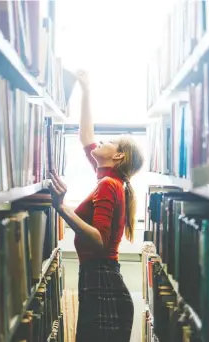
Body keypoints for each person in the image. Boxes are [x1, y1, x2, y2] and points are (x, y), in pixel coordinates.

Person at [48, 70, 144, 342]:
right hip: (99, 279)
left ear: (118, 155)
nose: (99, 142)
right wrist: (86, 89)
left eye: (108, 142)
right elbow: (85, 136)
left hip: (103, 282)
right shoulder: (109, 178)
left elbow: (100, 240)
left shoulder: (108, 185)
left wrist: (61, 207)